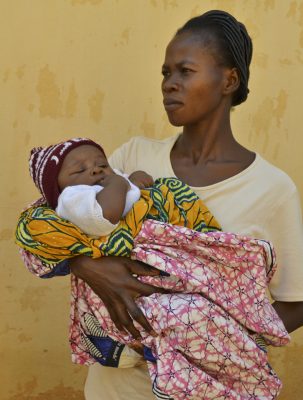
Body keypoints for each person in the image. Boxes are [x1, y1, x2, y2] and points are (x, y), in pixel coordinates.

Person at [15, 9, 303, 400]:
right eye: (166, 73)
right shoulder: (132, 157)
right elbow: (54, 220)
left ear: (229, 80)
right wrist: (87, 265)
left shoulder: (271, 188)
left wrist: (211, 343)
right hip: (115, 391)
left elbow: (296, 302)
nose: (169, 85)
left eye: (185, 71)